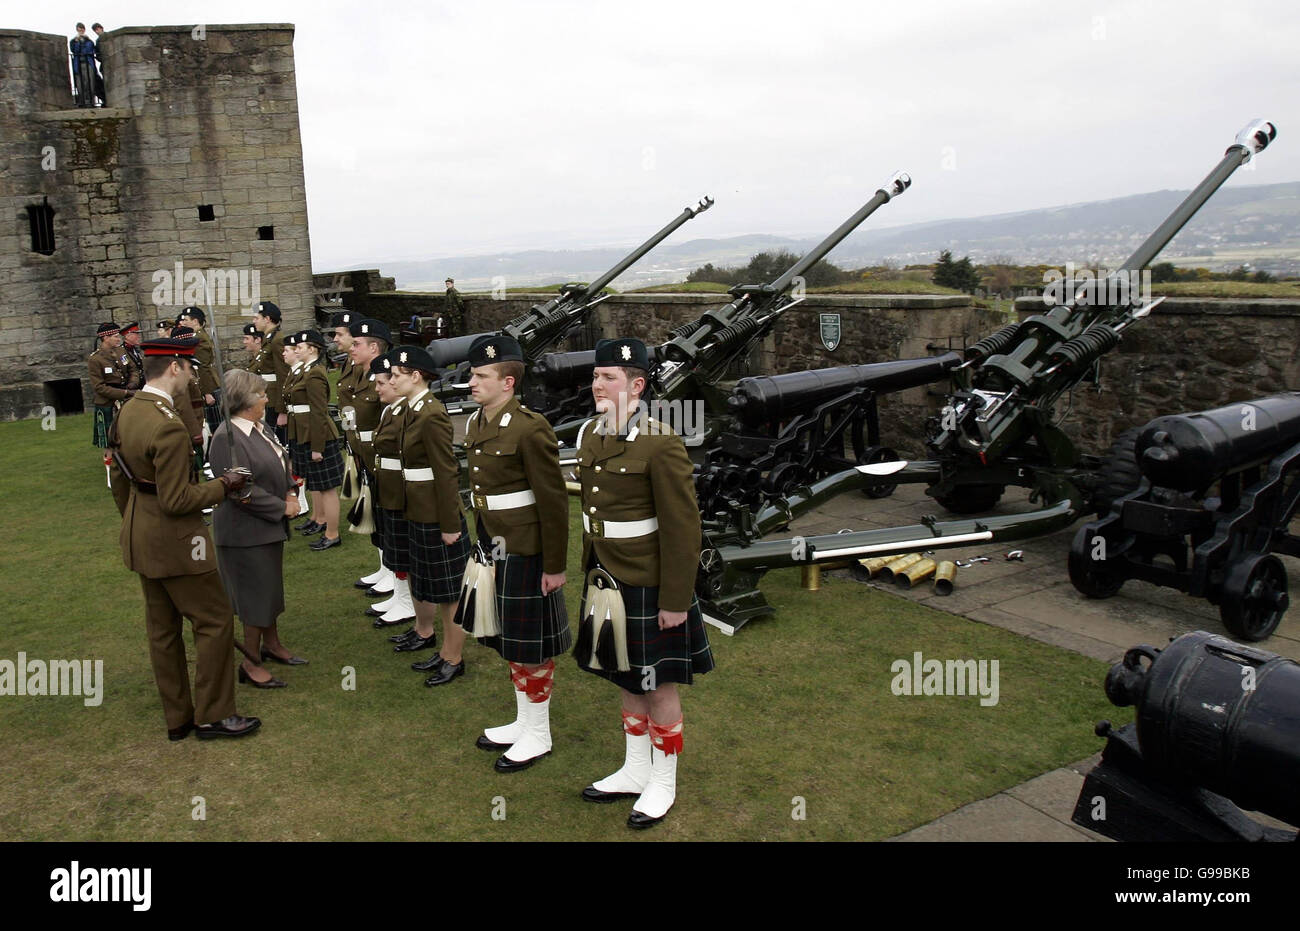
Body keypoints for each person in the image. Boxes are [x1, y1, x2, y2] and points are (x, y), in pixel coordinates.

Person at [572, 338, 713, 828]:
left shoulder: (660, 441)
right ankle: (635, 768)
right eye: (596, 376)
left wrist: (676, 598)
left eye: (608, 377)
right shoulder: (591, 434)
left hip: (649, 582)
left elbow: (682, 527)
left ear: (637, 385)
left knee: (659, 685)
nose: (597, 385)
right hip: (606, 577)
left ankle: (664, 779)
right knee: (623, 675)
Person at [107, 334, 260, 740]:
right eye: (189, 368)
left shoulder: (128, 411)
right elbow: (177, 500)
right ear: (175, 367)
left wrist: (134, 525)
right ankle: (214, 715)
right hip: (177, 542)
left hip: (141, 536)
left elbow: (120, 482)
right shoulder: (167, 425)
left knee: (163, 631)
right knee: (213, 621)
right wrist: (225, 485)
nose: (192, 375)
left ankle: (178, 718)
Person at [462, 335, 569, 771]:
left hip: (526, 550)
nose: (472, 381)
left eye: (481, 375)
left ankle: (539, 733)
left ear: (507, 382)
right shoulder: (476, 422)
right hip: (494, 547)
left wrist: (555, 565)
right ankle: (524, 720)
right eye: (472, 374)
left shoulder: (530, 426)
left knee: (531, 647)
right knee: (510, 641)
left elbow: (553, 501)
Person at [209, 369, 306, 689]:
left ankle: (272, 645)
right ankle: (250, 663)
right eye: (261, 394)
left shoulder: (259, 427)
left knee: (269, 591)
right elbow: (240, 490)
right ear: (246, 400)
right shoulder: (227, 438)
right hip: (243, 533)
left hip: (266, 528)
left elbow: (281, 460)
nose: (266, 398)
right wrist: (283, 507)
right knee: (254, 597)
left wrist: (291, 489)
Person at [389, 345, 470, 680]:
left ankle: (453, 657)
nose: (391, 380)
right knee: (431, 583)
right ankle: (442, 649)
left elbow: (446, 471)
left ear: (416, 376)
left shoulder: (431, 413)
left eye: (396, 375)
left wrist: (450, 524)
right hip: (418, 509)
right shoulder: (412, 409)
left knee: (450, 591)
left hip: (437, 514)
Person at [367, 350, 417, 630]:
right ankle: (400, 596)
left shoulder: (407, 412)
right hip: (386, 484)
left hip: (399, 487)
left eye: (383, 383)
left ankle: (407, 601)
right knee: (392, 544)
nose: (378, 388)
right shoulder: (390, 410)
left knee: (401, 546)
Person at [343, 319, 393, 594]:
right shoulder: (360, 374)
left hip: (378, 456)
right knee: (376, 516)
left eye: (358, 344)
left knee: (385, 519)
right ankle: (384, 567)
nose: (352, 347)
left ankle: (391, 570)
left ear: (374, 347)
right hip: (363, 452)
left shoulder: (382, 377)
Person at [287, 330, 344, 550]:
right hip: (306, 433)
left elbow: (319, 412)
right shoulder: (306, 371)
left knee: (327, 488)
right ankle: (320, 521)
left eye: (300, 346)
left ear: (313, 349)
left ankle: (332, 533)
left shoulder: (315, 373)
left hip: (318, 436)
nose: (297, 349)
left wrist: (317, 447)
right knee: (317, 485)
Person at [88, 322, 135, 453]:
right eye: (115, 336)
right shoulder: (95, 359)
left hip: (126, 399)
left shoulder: (121, 351)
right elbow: (99, 387)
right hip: (107, 404)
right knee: (109, 441)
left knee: (129, 436)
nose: (119, 339)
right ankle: (111, 468)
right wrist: (125, 392)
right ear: (105, 338)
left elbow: (133, 369)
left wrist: (132, 384)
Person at [179, 306, 222, 440]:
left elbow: (202, 367)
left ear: (195, 321)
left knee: (216, 427)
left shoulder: (199, 339)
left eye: (186, 320)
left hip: (209, 385)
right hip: (207, 385)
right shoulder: (195, 336)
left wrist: (207, 392)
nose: (183, 323)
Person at [251, 301, 289, 442]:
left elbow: (283, 375)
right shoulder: (269, 338)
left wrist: (282, 410)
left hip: (275, 400)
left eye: (256, 318)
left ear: (267, 319)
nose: (254, 321)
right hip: (268, 396)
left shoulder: (277, 340)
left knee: (279, 441)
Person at [70, 24, 96, 108]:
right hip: (78, 64)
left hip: (88, 63)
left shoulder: (89, 41)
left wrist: (84, 40)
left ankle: (90, 102)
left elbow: (88, 50)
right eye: (78, 30)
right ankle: (82, 102)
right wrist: (77, 42)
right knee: (80, 84)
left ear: (84, 30)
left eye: (81, 29)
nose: (80, 31)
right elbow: (74, 50)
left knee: (89, 83)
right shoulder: (74, 41)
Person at [120, 322, 144, 387]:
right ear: (128, 336)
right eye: (136, 334)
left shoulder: (135, 349)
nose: (138, 337)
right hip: (131, 386)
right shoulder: (122, 351)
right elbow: (125, 369)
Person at [92, 23, 106, 105]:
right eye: (95, 30)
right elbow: (98, 54)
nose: (96, 32)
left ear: (101, 28)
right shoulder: (97, 41)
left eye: (97, 29)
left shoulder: (108, 37)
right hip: (104, 65)